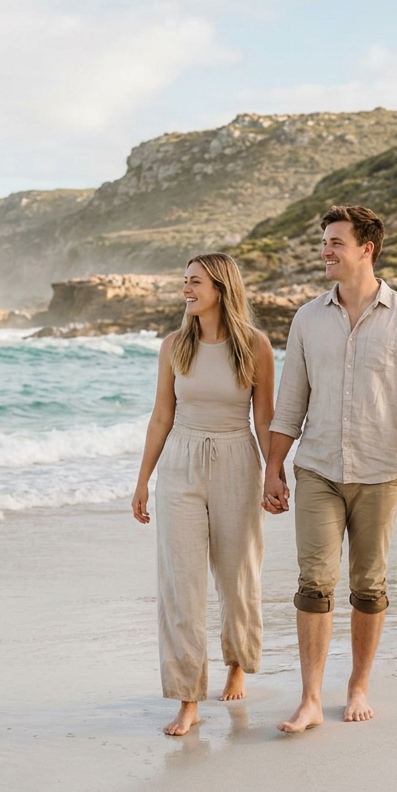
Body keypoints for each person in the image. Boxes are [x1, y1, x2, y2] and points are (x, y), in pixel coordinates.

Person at [262, 205, 397, 733]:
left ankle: (358, 684)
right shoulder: (307, 318)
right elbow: (290, 403)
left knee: (368, 585)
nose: (326, 250)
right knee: (314, 584)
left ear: (367, 248)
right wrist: (274, 470)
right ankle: (311, 698)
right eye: (324, 242)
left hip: (381, 473)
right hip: (316, 469)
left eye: (336, 242)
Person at [132, 252, 277, 737]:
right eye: (184, 282)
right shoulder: (175, 345)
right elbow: (161, 417)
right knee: (181, 584)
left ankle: (237, 661)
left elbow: (263, 420)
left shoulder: (255, 346)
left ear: (220, 287)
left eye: (194, 282)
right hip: (181, 465)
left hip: (238, 459)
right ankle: (187, 696)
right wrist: (143, 481)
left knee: (238, 574)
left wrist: (275, 473)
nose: (186, 290)